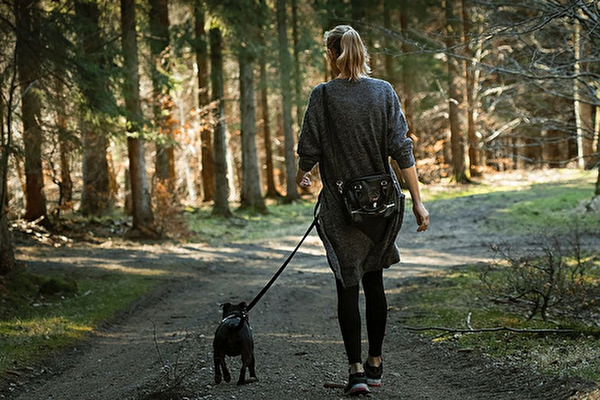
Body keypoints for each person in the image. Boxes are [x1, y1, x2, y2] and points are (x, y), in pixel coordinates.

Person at [295, 25, 429, 396]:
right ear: (360, 51)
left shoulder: (322, 96)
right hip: (383, 204)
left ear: (331, 53)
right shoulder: (383, 92)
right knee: (375, 281)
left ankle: (355, 371)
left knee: (347, 284)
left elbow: (309, 149)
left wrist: (302, 177)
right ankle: (375, 363)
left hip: (341, 206)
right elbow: (402, 150)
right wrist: (417, 200)